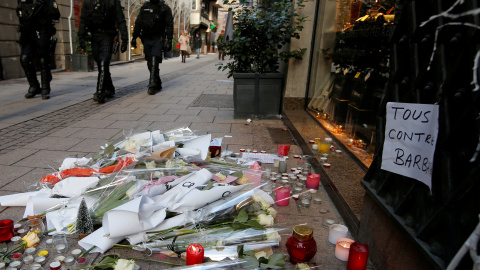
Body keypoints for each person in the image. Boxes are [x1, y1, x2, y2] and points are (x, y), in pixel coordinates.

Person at [77, 0, 129, 103]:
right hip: (94, 36)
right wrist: (81, 37)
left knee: (103, 62)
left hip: (107, 35)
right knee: (102, 65)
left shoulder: (113, 1)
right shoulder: (88, 2)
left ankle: (100, 92)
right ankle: (109, 88)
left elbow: (120, 20)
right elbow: (83, 20)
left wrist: (124, 39)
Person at [17, 0, 60, 100]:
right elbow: (19, 13)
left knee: (43, 58)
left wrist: (43, 8)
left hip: (42, 31)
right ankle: (34, 86)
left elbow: (56, 14)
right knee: (24, 58)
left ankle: (45, 88)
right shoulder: (22, 0)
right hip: (28, 32)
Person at [131, 0, 173, 95]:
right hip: (146, 38)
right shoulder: (144, 7)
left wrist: (169, 40)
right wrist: (134, 37)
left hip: (158, 38)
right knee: (150, 61)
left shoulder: (164, 8)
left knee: (154, 58)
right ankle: (157, 81)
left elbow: (169, 25)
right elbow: (138, 22)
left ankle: (152, 84)